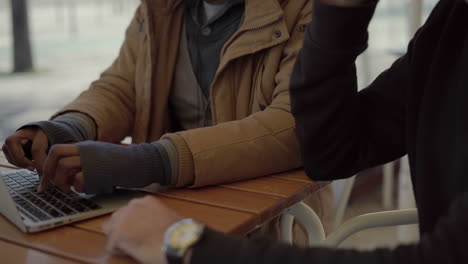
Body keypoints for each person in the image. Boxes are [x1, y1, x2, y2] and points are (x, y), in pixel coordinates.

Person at [100, 0, 468, 263]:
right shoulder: (451, 21)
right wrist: (341, 14)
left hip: (253, 226)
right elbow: (334, 149)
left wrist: (182, 243)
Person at [2, 0, 333, 238]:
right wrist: (71, 126)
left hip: (275, 229)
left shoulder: (312, 8)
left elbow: (296, 126)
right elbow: (123, 85)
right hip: (168, 215)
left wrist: (146, 160)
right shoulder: (158, 8)